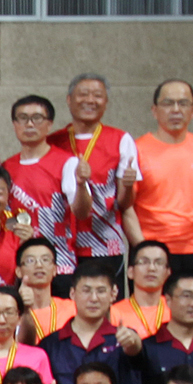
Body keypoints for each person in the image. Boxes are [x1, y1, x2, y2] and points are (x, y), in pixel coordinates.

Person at [50, 74, 143, 283]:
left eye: (97, 95)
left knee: (105, 302)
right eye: (83, 94)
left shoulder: (121, 139)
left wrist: (128, 186)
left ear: (106, 102)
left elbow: (125, 204)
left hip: (105, 245)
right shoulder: (53, 141)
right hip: (62, 246)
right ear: (69, 99)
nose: (90, 100)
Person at [130, 79, 193, 276]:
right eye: (168, 103)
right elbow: (127, 206)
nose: (176, 110)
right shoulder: (136, 149)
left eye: (183, 103)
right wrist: (141, 248)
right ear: (154, 110)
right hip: (150, 248)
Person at [39, 268, 140, 384]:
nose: (93, 298)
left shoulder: (125, 339)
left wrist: (135, 344)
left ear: (113, 294)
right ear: (72, 293)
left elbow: (136, 354)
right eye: (86, 291)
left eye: (101, 291)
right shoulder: (50, 344)